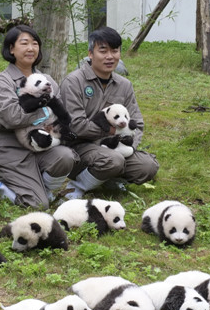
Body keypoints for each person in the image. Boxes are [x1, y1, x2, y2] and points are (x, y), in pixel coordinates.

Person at [60, 26, 159, 198]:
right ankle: (77, 187)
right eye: (103, 51)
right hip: (79, 148)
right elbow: (75, 125)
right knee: (113, 160)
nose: (109, 57)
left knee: (148, 166)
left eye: (115, 51)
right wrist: (112, 131)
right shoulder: (73, 82)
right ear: (91, 54)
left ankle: (105, 178)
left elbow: (137, 124)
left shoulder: (124, 85)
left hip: (116, 147)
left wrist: (127, 146)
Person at [0, 25, 78, 208]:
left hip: (43, 142)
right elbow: (13, 117)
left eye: (35, 43)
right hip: (12, 148)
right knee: (37, 204)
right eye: (24, 43)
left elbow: (60, 113)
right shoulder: (2, 81)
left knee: (66, 157)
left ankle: (41, 188)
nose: (31, 48)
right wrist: (45, 107)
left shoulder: (47, 79)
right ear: (11, 49)